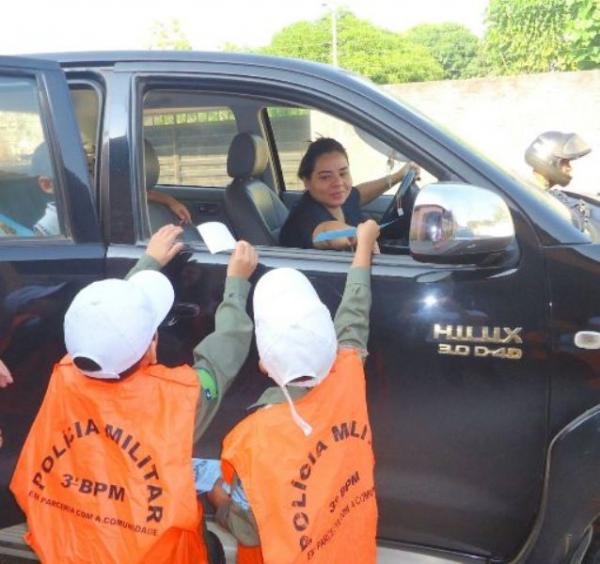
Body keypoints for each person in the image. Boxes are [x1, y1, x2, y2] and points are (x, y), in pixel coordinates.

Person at [10, 224, 258, 564]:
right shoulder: (181, 398)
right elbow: (225, 350)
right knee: (208, 546)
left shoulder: (67, 373)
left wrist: (147, 263)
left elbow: (104, 327)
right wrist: (237, 286)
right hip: (148, 555)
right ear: (153, 348)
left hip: (69, 547)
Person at [209, 219, 380, 564]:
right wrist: (364, 246)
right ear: (332, 344)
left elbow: (246, 529)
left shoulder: (253, 438)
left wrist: (219, 502)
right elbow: (354, 314)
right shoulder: (347, 373)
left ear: (263, 365)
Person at [279, 137, 418, 250]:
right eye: (326, 177)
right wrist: (356, 235)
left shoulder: (339, 199)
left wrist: (398, 176)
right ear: (307, 182)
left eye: (343, 173)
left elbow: (359, 194)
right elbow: (326, 233)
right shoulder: (305, 216)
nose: (338, 183)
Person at [525, 131, 597, 235]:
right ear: (549, 160)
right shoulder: (537, 199)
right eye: (565, 162)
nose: (569, 168)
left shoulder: (538, 192)